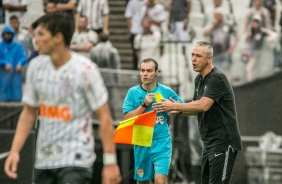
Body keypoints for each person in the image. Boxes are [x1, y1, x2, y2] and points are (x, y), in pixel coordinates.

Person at [4, 12, 121, 184]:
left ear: (58, 37)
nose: (35, 38)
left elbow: (104, 116)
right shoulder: (35, 68)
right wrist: (14, 151)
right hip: (44, 159)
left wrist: (110, 162)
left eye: (41, 34)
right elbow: (29, 113)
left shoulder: (85, 69)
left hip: (76, 159)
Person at [152, 41, 242, 184]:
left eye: (198, 56)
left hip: (223, 143)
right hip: (209, 143)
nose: (193, 59)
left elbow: (203, 105)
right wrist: (176, 108)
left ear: (209, 59)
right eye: (192, 55)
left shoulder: (216, 78)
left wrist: (176, 106)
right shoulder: (199, 79)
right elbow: (195, 108)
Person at [122, 58, 183, 184]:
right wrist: (144, 105)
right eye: (142, 70)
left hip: (162, 141)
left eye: (149, 71)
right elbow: (127, 119)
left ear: (156, 72)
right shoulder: (133, 92)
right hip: (142, 141)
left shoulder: (165, 91)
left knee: (160, 180)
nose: (145, 74)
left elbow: (182, 107)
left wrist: (171, 107)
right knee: (143, 181)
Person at [203, 7, 239, 82]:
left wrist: (232, 48)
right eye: (215, 15)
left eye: (217, 15)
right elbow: (205, 33)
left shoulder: (228, 24)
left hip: (225, 53)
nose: (215, 16)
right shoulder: (212, 25)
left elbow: (237, 37)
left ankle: (230, 88)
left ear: (221, 15)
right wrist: (212, 25)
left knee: (226, 71)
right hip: (215, 54)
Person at [0, 25, 26, 102]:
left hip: (15, 74)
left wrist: (20, 63)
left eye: (9, 34)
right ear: (3, 35)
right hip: (4, 75)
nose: (7, 36)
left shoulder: (18, 46)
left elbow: (23, 57)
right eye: (6, 34)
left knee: (16, 94)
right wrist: (5, 63)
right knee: (3, 94)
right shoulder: (1, 46)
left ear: (12, 34)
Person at [124, 0, 146, 70]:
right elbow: (128, 17)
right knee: (135, 52)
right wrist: (130, 30)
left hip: (144, 30)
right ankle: (136, 68)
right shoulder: (132, 2)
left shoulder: (147, 2)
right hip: (135, 30)